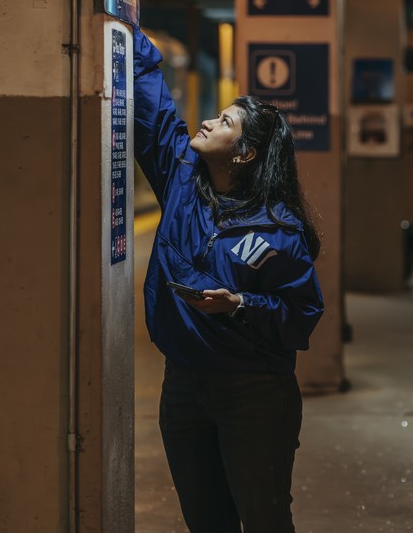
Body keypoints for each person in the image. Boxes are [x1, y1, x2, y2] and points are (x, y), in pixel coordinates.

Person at [132, 27, 324, 533]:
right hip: (183, 386)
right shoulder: (180, 182)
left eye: (224, 122)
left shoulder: (281, 231)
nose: (207, 121)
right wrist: (127, 28)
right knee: (206, 521)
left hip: (253, 393)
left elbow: (303, 315)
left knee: (264, 520)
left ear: (243, 154)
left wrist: (241, 303)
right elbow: (153, 109)